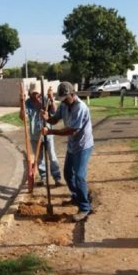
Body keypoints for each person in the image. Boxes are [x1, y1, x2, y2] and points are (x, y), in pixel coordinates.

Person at [40, 81, 94, 222]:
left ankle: (84, 208)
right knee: (68, 174)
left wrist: (50, 131)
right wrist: (47, 118)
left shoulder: (80, 107)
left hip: (83, 146)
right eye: (62, 98)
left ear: (72, 94)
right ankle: (76, 197)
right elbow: (55, 119)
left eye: (65, 98)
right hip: (72, 145)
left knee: (79, 176)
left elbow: (71, 130)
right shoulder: (64, 105)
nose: (63, 101)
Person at [19, 82, 62, 186]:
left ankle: (57, 178)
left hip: (47, 133)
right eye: (33, 93)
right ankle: (43, 177)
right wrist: (21, 102)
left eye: (37, 93)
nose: (35, 95)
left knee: (52, 156)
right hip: (35, 135)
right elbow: (22, 117)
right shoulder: (28, 103)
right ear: (29, 93)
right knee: (39, 158)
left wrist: (51, 98)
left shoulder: (45, 100)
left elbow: (55, 112)